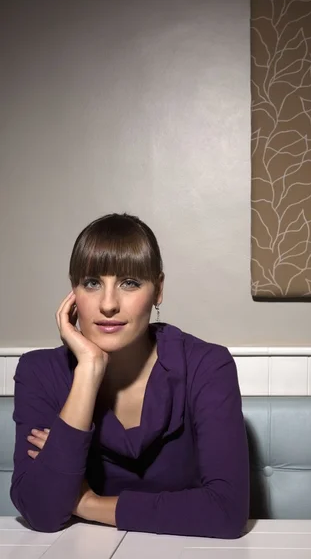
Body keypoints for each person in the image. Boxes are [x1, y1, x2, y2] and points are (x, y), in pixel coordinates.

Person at [10, 213, 250, 537]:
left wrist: (87, 503)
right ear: (73, 293)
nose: (108, 304)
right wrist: (89, 370)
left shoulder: (206, 366)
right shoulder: (38, 373)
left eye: (130, 283)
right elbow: (42, 512)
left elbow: (226, 512)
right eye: (92, 283)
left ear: (158, 290)